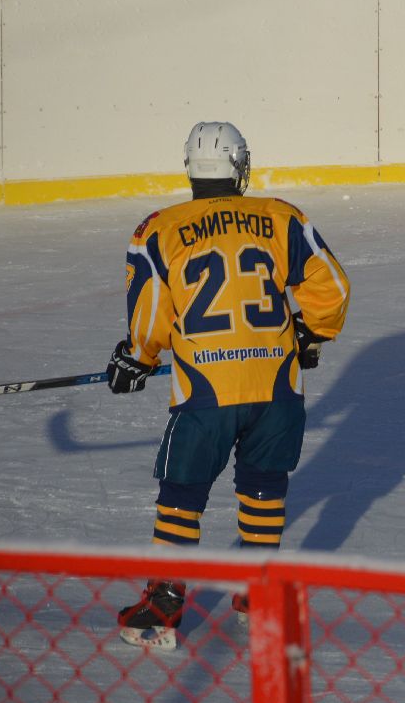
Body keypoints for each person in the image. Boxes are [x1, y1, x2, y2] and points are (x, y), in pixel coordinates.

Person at [108, 121, 350, 649]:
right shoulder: (280, 216)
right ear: (241, 167)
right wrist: (310, 333)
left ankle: (164, 601)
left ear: (189, 168)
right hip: (277, 387)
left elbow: (150, 317)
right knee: (264, 483)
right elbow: (329, 286)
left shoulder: (158, 228)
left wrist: (137, 357)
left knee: (182, 492)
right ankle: (260, 591)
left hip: (206, 392)